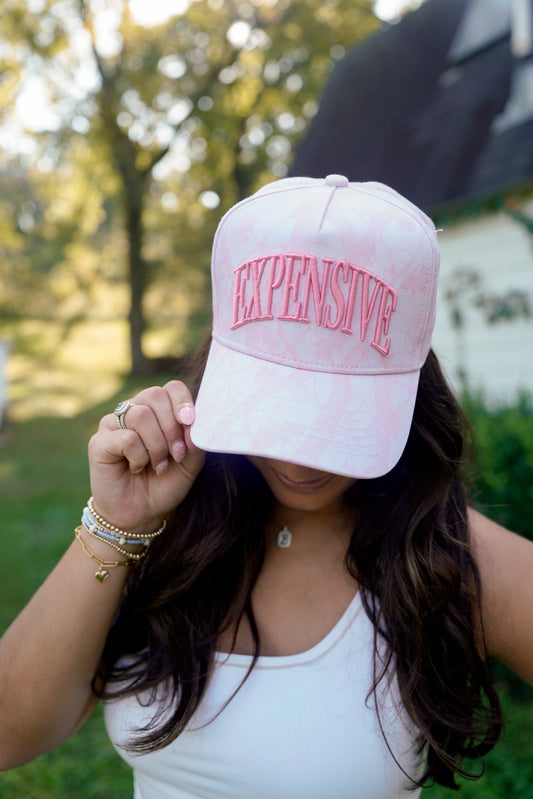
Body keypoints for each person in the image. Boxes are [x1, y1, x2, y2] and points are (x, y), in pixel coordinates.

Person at [0, 175, 532, 798]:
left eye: (339, 412)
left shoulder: (446, 554)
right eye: (277, 402)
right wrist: (117, 523)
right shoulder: (165, 523)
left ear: (410, 388)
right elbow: (11, 734)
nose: (298, 457)